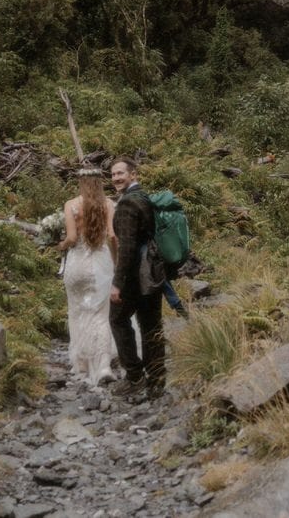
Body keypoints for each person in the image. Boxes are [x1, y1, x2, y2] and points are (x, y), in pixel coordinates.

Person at [108, 157, 164, 401]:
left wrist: (117, 283)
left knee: (117, 319)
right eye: (113, 175)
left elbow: (128, 248)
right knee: (151, 324)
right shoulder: (145, 198)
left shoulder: (128, 204)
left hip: (134, 275)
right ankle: (157, 379)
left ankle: (134, 376)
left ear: (133, 174)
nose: (116, 178)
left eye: (120, 173)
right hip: (154, 271)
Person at [57, 168, 118, 387]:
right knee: (100, 315)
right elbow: (112, 235)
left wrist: (60, 244)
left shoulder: (71, 204)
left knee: (77, 310)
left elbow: (72, 238)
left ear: (82, 182)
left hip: (76, 266)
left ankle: (82, 362)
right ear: (99, 183)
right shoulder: (109, 204)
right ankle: (103, 365)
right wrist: (116, 261)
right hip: (100, 264)